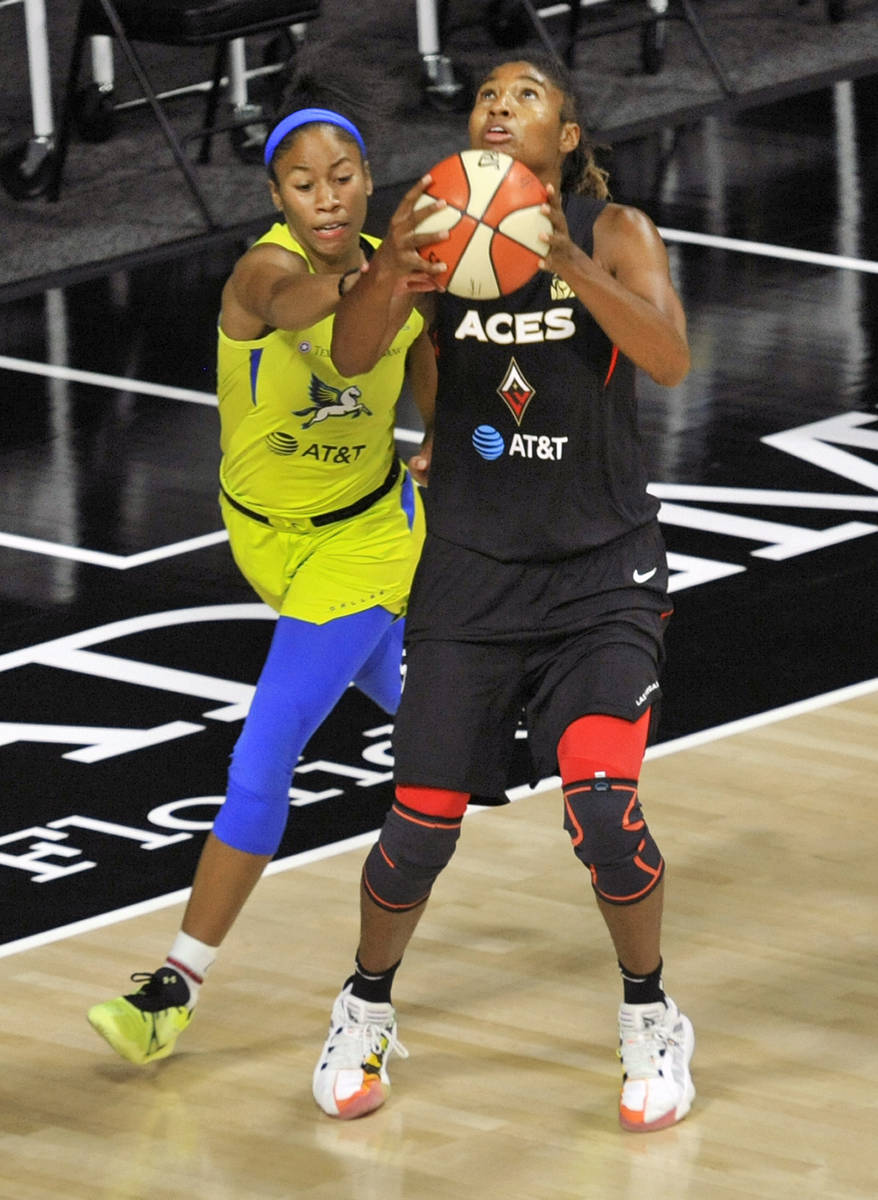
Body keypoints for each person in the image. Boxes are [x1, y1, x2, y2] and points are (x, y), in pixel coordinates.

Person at [311, 56, 695, 1132]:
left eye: (524, 94)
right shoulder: (431, 221)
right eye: (485, 94)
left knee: (601, 807)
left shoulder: (611, 232)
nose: (496, 105)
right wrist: (390, 273)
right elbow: (350, 359)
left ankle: (647, 1013)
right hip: (471, 571)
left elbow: (666, 360)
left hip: (597, 570)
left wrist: (565, 258)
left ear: (565, 135)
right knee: (417, 825)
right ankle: (364, 1001)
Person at [86, 101, 446, 1066]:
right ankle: (536, 716)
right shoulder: (265, 272)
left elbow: (425, 351)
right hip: (261, 538)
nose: (325, 198)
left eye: (341, 177)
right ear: (276, 197)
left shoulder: (398, 266)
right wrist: (390, 272)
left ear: (367, 179)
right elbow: (305, 310)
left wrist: (440, 434)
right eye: (303, 183)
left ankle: (173, 988)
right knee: (431, 722)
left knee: (264, 753)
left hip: (366, 536)